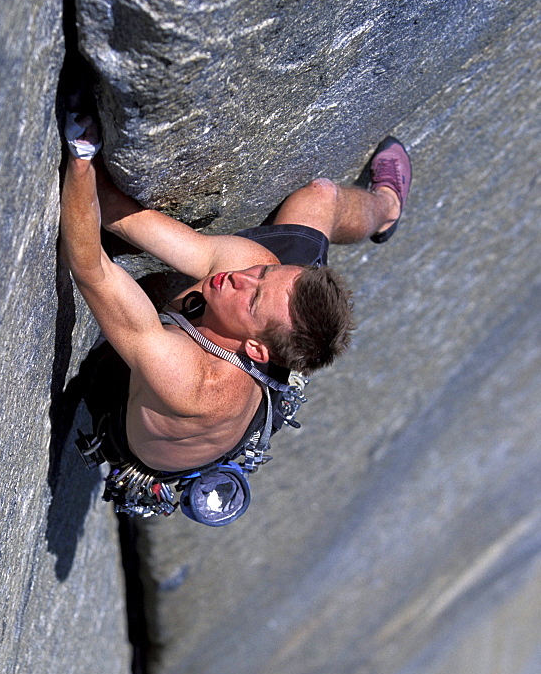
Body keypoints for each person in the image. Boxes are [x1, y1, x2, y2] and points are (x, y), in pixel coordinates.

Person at [60, 108, 411, 479]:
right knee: (320, 198)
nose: (238, 278)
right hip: (241, 337)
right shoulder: (252, 269)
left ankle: (384, 211)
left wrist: (80, 161)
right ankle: (385, 209)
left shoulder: (193, 383)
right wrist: (94, 162)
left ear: (258, 350)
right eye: (264, 273)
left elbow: (91, 269)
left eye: (254, 297)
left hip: (124, 402)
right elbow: (121, 215)